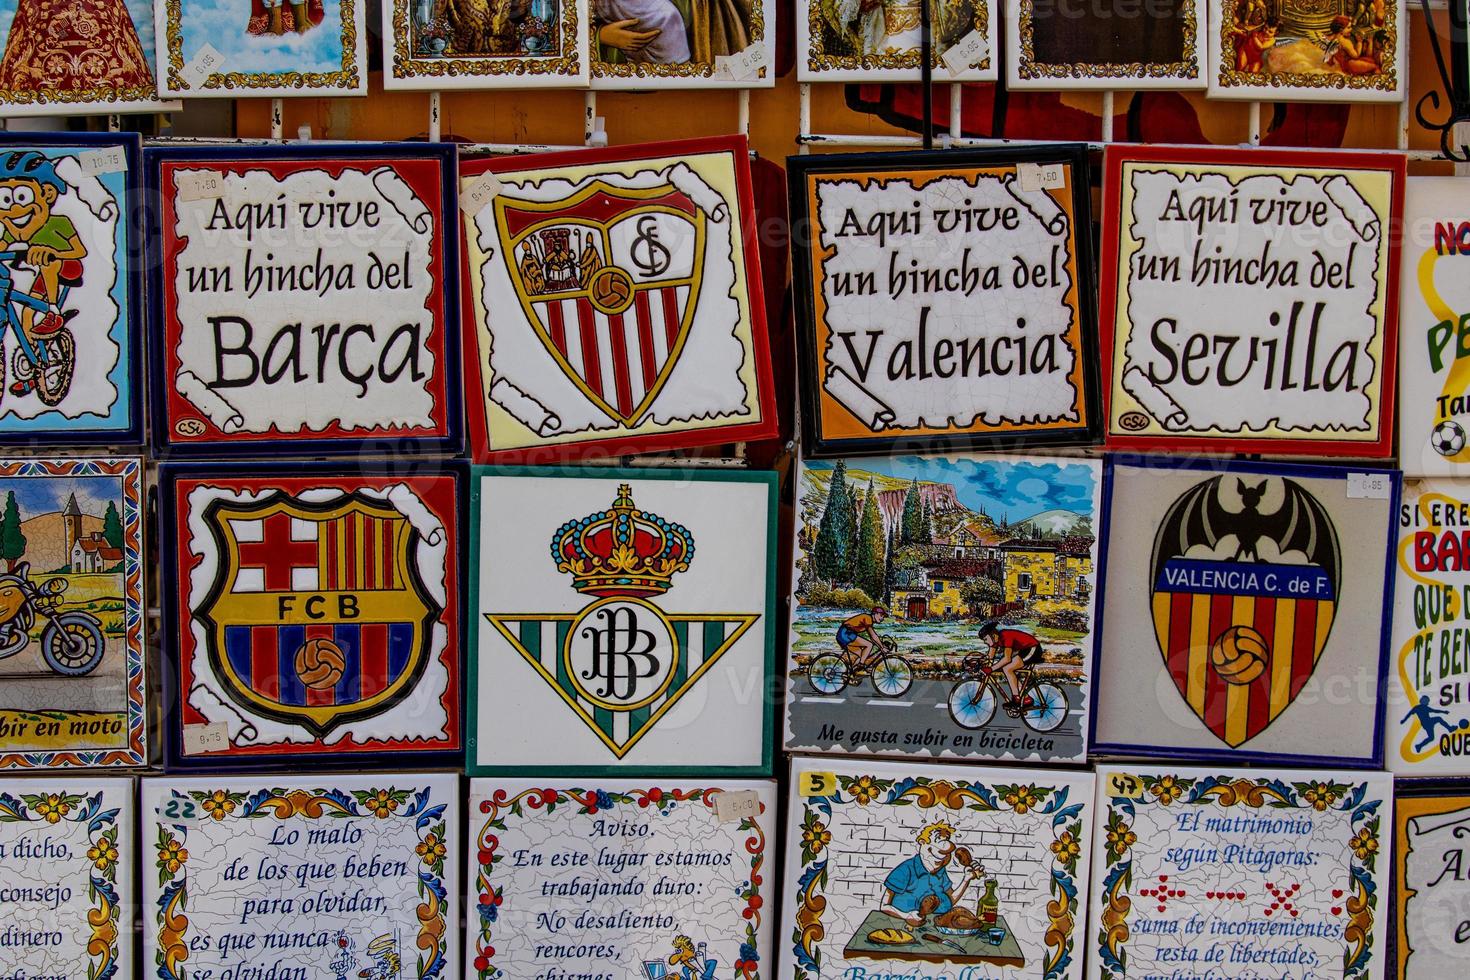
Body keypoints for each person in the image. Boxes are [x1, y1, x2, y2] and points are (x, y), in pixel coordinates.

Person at [0, 150, 84, 394]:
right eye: (5, 199)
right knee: (26, 316)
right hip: (41, 275)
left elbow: (79, 251)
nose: (14, 208)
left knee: (49, 264)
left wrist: (51, 251)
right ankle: (36, 368)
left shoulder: (59, 223)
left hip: (66, 268)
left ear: (47, 194)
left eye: (22, 197)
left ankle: (54, 312)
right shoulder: (12, 231)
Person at [879, 820, 984, 925]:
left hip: (933, 927)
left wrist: (966, 878)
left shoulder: (940, 872)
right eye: (938, 839)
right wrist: (906, 916)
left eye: (946, 840)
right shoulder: (906, 870)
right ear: (923, 842)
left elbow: (950, 900)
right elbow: (884, 906)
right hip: (898, 925)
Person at [977, 620, 1043, 707]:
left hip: (1033, 648)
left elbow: (1007, 659)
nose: (985, 642)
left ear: (993, 635)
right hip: (1023, 650)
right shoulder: (994, 642)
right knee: (1007, 669)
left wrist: (991, 669)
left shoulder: (1005, 636)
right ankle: (1024, 697)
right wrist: (982, 664)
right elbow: (990, 659)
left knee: (1007, 668)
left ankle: (1018, 699)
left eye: (985, 639)